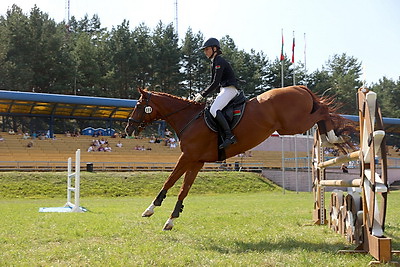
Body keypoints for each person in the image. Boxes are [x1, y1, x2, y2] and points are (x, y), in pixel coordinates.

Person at [194, 37, 239, 149]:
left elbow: (215, 83)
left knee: (214, 110)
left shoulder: (219, 61)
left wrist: (202, 94)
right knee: (211, 107)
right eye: (204, 50)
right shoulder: (214, 62)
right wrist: (205, 94)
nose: (205, 52)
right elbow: (213, 84)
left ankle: (229, 136)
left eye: (207, 49)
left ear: (215, 49)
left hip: (230, 89)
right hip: (224, 89)